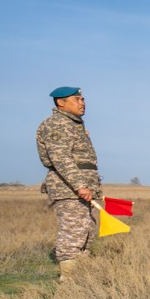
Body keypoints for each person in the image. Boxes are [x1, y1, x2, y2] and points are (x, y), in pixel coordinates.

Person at [36, 86, 102, 279]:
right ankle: (68, 279)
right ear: (60, 102)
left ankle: (82, 273)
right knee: (74, 231)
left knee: (87, 229)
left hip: (82, 187)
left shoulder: (74, 125)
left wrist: (90, 186)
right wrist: (80, 185)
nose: (82, 103)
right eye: (77, 99)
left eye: (82, 99)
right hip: (68, 188)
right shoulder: (56, 124)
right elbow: (61, 158)